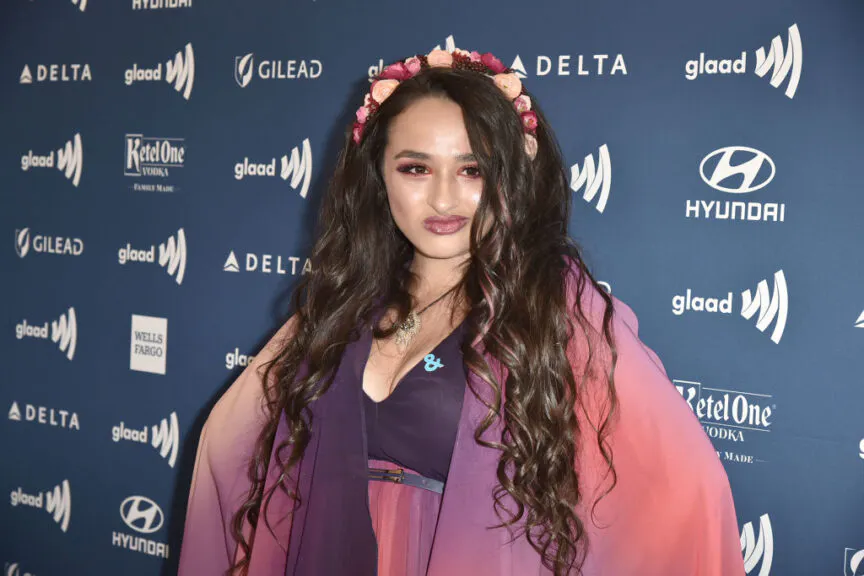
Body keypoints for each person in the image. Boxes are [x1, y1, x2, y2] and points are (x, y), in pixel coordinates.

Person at [177, 47, 745, 576]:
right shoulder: (345, 303)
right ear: (378, 176)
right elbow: (229, 445)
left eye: (472, 170)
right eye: (415, 168)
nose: (444, 198)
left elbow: (684, 491)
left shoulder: (554, 310)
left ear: (511, 177)